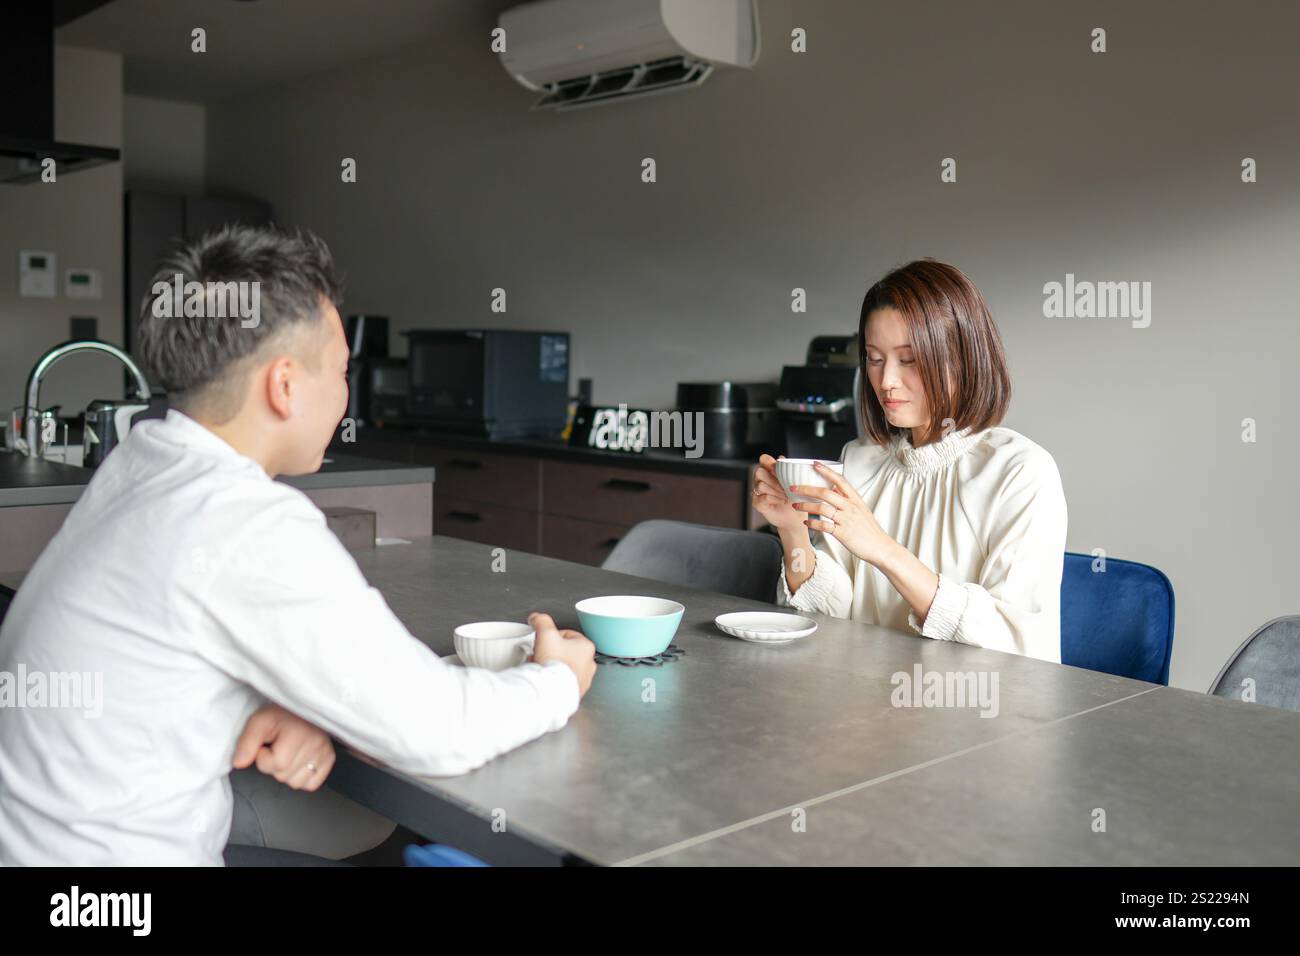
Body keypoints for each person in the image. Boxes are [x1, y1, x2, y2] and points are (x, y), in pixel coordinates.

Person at [0, 224, 597, 865]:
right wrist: (557, 679)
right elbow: (436, 729)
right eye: (341, 370)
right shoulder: (242, 521)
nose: (344, 396)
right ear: (285, 385)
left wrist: (287, 698)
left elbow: (176, 633)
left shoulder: (142, 463)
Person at [754, 258, 1068, 662]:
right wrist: (793, 530)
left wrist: (883, 550)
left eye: (910, 359)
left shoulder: (1020, 473)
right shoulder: (861, 458)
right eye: (875, 358)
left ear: (962, 358)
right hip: (862, 707)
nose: (886, 382)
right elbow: (830, 617)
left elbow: (1014, 644)